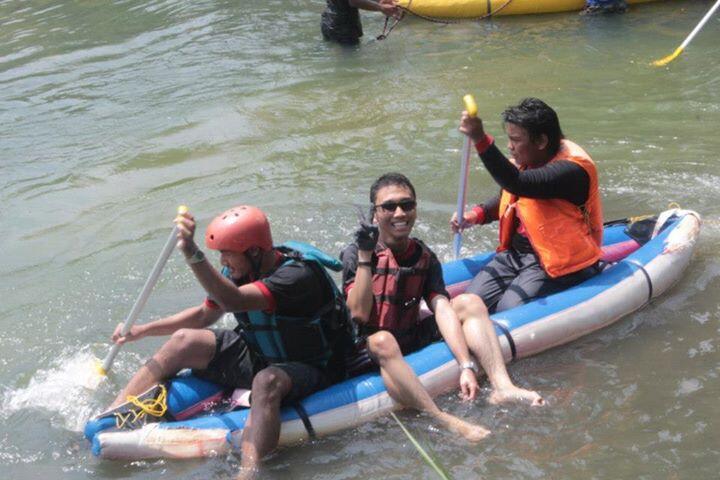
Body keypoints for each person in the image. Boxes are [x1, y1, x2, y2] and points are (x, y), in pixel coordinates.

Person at [100, 205, 353, 479]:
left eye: (227, 253)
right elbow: (204, 315)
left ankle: (248, 472)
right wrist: (143, 330)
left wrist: (192, 254)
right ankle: (109, 416)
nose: (223, 261)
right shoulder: (236, 271)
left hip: (314, 366)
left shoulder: (296, 276)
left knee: (266, 381)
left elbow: (234, 301)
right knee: (184, 340)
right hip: (262, 354)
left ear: (254, 252)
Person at [341, 173, 542, 443]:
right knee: (382, 340)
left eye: (407, 204)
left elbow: (442, 307)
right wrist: (366, 257)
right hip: (369, 346)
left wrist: (466, 366)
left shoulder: (423, 255)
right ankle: (442, 418)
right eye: (389, 207)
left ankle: (502, 386)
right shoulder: (356, 253)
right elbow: (359, 314)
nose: (399, 213)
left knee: (469, 302)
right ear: (375, 214)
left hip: (409, 333)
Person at [451, 97, 604, 316]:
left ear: (541, 141)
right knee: (467, 302)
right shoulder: (530, 159)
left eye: (515, 140)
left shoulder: (571, 171)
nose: (510, 146)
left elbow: (518, 183)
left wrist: (480, 139)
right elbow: (510, 197)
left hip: (554, 262)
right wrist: (476, 215)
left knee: (508, 309)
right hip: (515, 254)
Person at [321, 0, 401, 45]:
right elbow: (354, 1)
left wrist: (380, 1)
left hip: (328, 20)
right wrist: (380, 7)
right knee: (350, 61)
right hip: (344, 27)